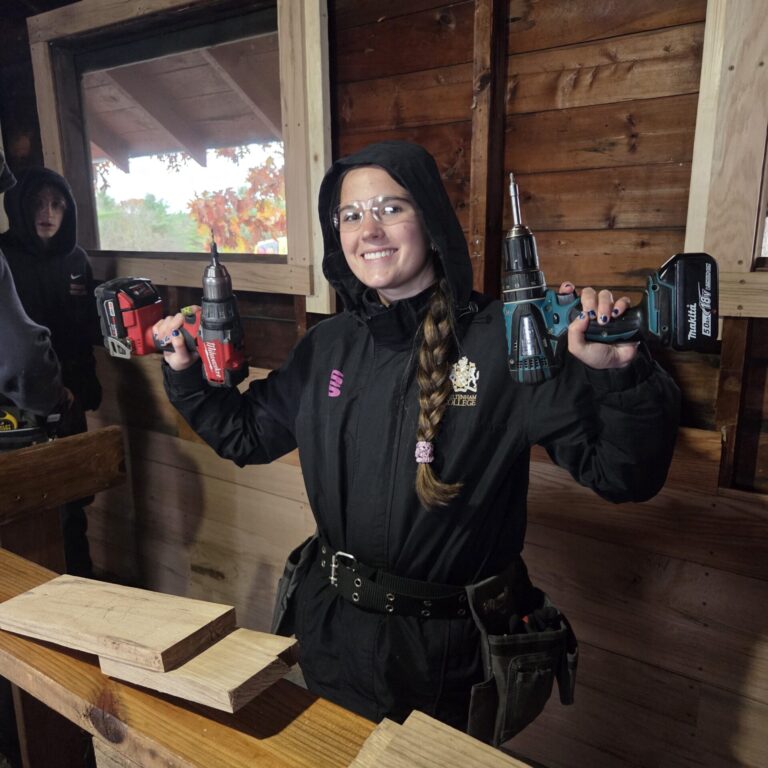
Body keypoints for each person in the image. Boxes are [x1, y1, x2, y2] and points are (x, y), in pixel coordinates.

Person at [155, 141, 680, 738]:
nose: (369, 230)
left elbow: (624, 474)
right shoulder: (328, 347)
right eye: (351, 216)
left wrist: (621, 376)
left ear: (429, 220)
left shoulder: (506, 342)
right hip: (331, 635)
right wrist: (186, 375)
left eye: (390, 209)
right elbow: (246, 435)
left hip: (447, 661)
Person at [0, 166, 102, 577]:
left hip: (65, 394)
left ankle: (82, 586)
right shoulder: (4, 255)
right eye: (39, 203)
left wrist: (78, 388)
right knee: (22, 512)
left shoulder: (75, 258)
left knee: (71, 502)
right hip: (13, 402)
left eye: (57, 204)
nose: (48, 212)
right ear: (21, 207)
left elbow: (81, 334)